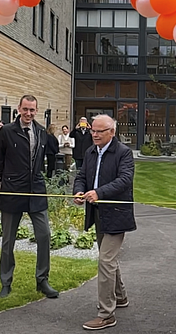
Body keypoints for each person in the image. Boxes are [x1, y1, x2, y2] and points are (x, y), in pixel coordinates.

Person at [73, 115, 136, 331]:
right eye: (92, 130)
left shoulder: (124, 153)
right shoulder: (90, 152)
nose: (94, 134)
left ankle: (106, 314)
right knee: (108, 260)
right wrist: (79, 191)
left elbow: (124, 180)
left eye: (99, 131)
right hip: (98, 214)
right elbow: (81, 175)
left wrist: (99, 192)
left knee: (106, 261)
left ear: (112, 132)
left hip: (117, 214)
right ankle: (120, 297)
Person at [0, 95, 58, 299]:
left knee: (44, 235)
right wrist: (8, 180)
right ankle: (6, 282)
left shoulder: (41, 132)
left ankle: (42, 280)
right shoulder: (7, 132)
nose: (28, 113)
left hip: (36, 191)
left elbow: (49, 157)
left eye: (32, 110)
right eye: (25, 109)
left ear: (36, 111)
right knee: (8, 240)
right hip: (12, 191)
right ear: (19, 109)